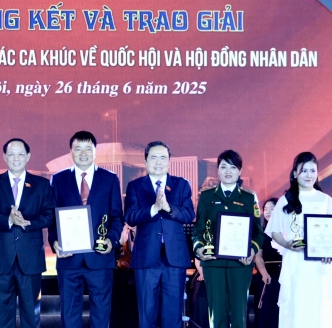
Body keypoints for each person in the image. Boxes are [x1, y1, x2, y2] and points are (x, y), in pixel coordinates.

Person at [0, 138, 56, 328]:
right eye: (11, 154)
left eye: (20, 154)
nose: (16, 158)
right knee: (1, 317)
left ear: (28, 156)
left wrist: (28, 222)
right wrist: (8, 220)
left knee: (31, 316)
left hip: (30, 259)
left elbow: (50, 216)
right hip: (0, 258)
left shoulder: (42, 184)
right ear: (4, 157)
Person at [47, 131, 123, 328]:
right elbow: (52, 218)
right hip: (69, 259)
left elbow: (117, 217)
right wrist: (55, 242)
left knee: (101, 315)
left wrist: (111, 240)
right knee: (69, 315)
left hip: (100, 258)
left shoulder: (110, 179)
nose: (83, 153)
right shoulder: (58, 179)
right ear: (70, 152)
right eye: (78, 148)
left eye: (88, 148)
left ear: (95, 151)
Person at [264, 151, 332, 328]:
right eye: (304, 171)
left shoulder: (325, 200)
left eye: (312, 171)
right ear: (295, 173)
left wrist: (329, 252)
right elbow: (275, 231)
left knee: (320, 307)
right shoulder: (285, 200)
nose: (309, 175)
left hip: (320, 264)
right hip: (296, 262)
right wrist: (287, 244)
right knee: (297, 306)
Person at [123, 141, 195, 328]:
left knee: (173, 314)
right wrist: (154, 209)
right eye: (153, 158)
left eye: (163, 158)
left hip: (174, 257)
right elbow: (130, 216)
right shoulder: (135, 186)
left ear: (169, 161)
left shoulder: (181, 184)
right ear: (145, 161)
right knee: (147, 313)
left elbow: (189, 214)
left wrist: (169, 208)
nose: (158, 162)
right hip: (146, 257)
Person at [192, 150, 264, 328]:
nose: (228, 171)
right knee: (216, 315)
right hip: (213, 262)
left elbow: (258, 233)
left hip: (240, 263)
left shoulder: (249, 198)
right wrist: (199, 249)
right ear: (218, 170)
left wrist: (251, 251)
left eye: (233, 167)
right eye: (224, 167)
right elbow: (198, 230)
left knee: (239, 315)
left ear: (240, 171)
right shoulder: (206, 196)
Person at [252, 198, 282, 328]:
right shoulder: (261, 234)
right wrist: (264, 273)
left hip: (285, 273)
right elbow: (258, 257)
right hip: (267, 274)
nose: (268, 212)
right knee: (267, 310)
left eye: (272, 208)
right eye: (266, 209)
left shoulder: (287, 232)